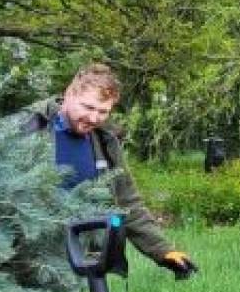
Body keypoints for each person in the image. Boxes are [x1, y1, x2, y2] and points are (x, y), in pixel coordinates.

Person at [23, 63, 197, 279]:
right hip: (27, 258)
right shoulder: (29, 129)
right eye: (88, 107)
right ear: (69, 94)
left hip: (82, 257)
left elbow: (126, 202)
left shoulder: (104, 142)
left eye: (102, 111)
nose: (94, 118)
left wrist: (163, 250)